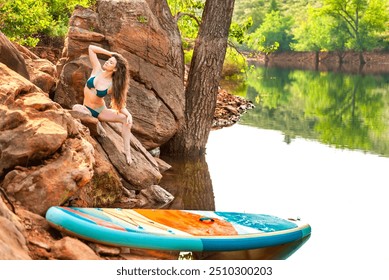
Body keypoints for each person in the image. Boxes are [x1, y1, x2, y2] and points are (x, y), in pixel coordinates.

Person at [73, 44, 133, 165]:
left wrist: (129, 115)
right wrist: (111, 54)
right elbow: (90, 48)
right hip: (86, 109)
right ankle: (97, 125)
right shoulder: (97, 69)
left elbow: (119, 104)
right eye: (108, 61)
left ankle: (127, 151)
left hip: (100, 111)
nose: (107, 62)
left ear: (115, 69)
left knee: (126, 120)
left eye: (111, 63)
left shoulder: (112, 85)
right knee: (76, 108)